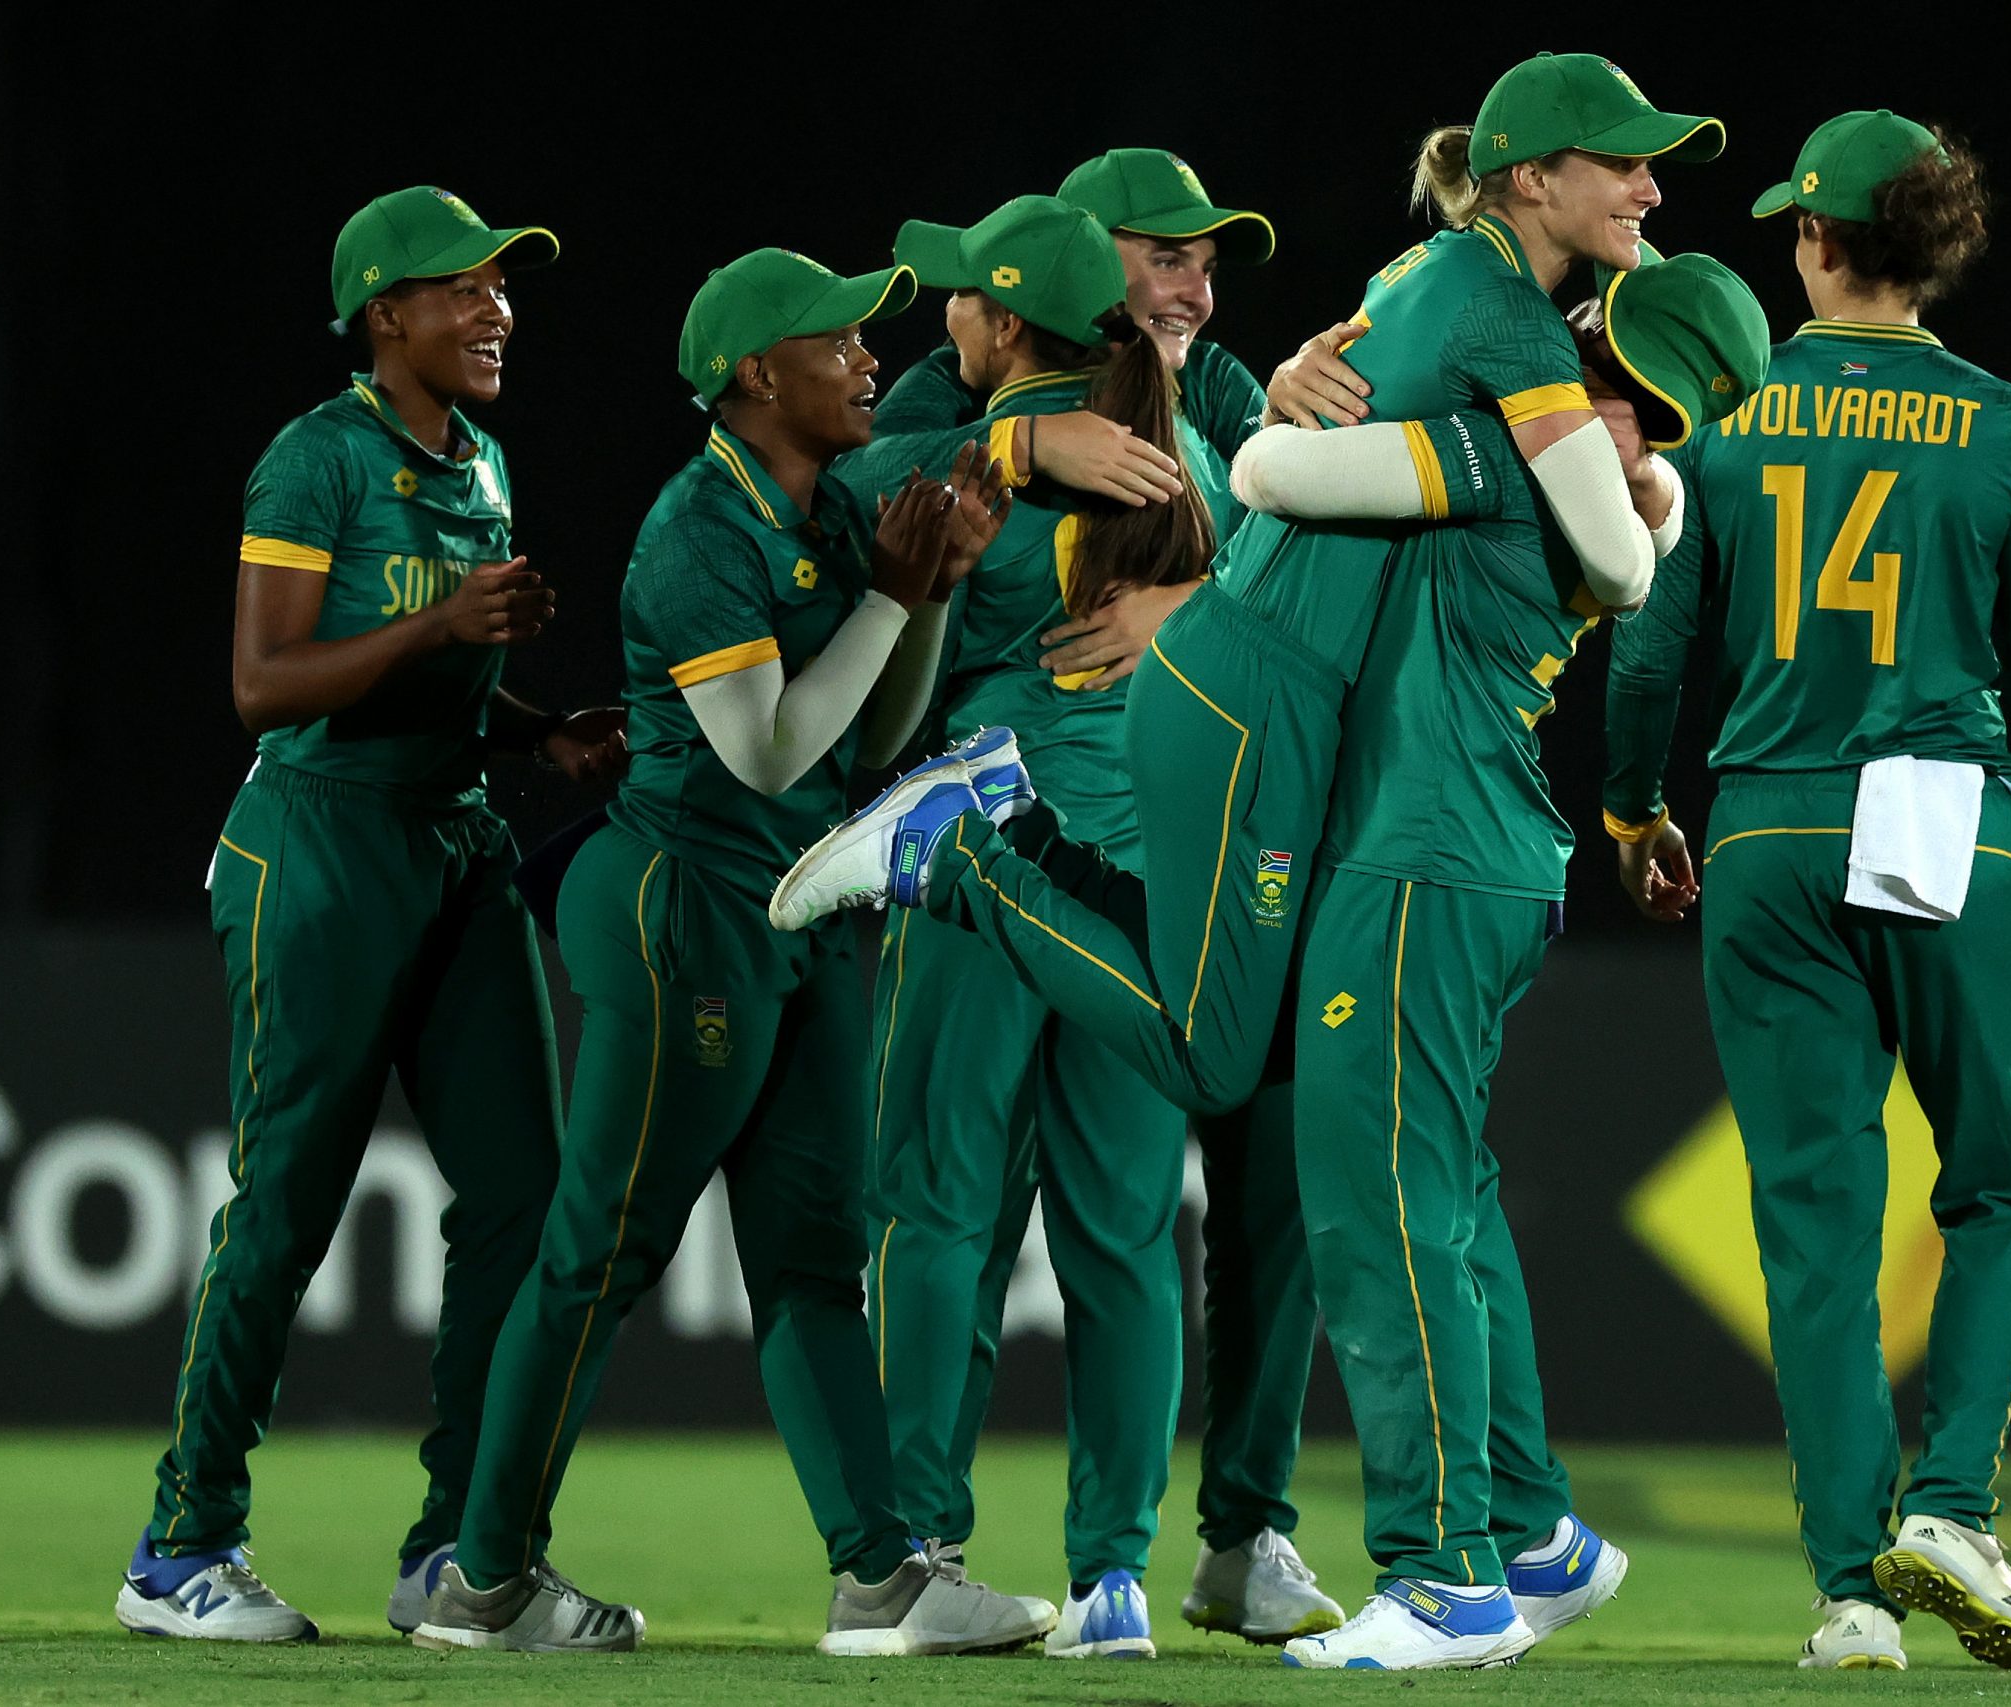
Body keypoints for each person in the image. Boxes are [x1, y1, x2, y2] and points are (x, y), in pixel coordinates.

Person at [777, 52, 1738, 1672]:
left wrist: (1270, 509)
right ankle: (1472, 1533)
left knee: (1275, 1151)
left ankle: (1286, 1556)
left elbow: (1286, 471)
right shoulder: (1481, 353)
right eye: (1618, 162)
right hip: (1335, 783)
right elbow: (1588, 550)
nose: (1647, 185)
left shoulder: (1491, 385)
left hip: (1312, 781)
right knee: (1326, 1166)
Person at [402, 245, 1050, 1658]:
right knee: (603, 1252)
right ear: (758, 374)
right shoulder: (700, 526)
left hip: (799, 908)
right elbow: (761, 756)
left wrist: (927, 593)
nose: (871, 360)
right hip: (679, 908)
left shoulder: (830, 515)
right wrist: (890, 597)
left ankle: (881, 1579)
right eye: (841, 342)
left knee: (817, 1258)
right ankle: (483, 1579)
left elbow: (867, 747)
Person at [1600, 110, 2011, 1673]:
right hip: (1952, 821)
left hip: (1766, 831)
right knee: (2005, 1181)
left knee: (1817, 1219)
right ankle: (1952, 1505)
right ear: (1936, 243)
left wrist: (1630, 812)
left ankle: (1851, 1599)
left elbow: (1653, 647)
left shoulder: (1726, 428)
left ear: (1814, 240)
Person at [115, 186, 625, 1643]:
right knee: (285, 1208)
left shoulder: (485, 460)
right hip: (320, 847)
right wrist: (442, 627)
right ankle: (180, 1547)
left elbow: (431, 676)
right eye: (463, 290)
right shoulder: (317, 460)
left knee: (529, 1204)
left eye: (505, 290)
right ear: (383, 313)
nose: (498, 311)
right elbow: (266, 688)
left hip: (456, 841)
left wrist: (537, 734)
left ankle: (462, 1563)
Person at [838, 190, 1315, 1659]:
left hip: (978, 836)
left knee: (938, 1206)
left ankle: (908, 1562)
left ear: (1005, 317)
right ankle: (1114, 1576)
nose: (944, 325)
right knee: (1123, 1229)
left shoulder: (955, 459)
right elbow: (1294, 577)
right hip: (1138, 865)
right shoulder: (1181, 453)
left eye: (961, 305)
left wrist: (1000, 444)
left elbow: (830, 493)